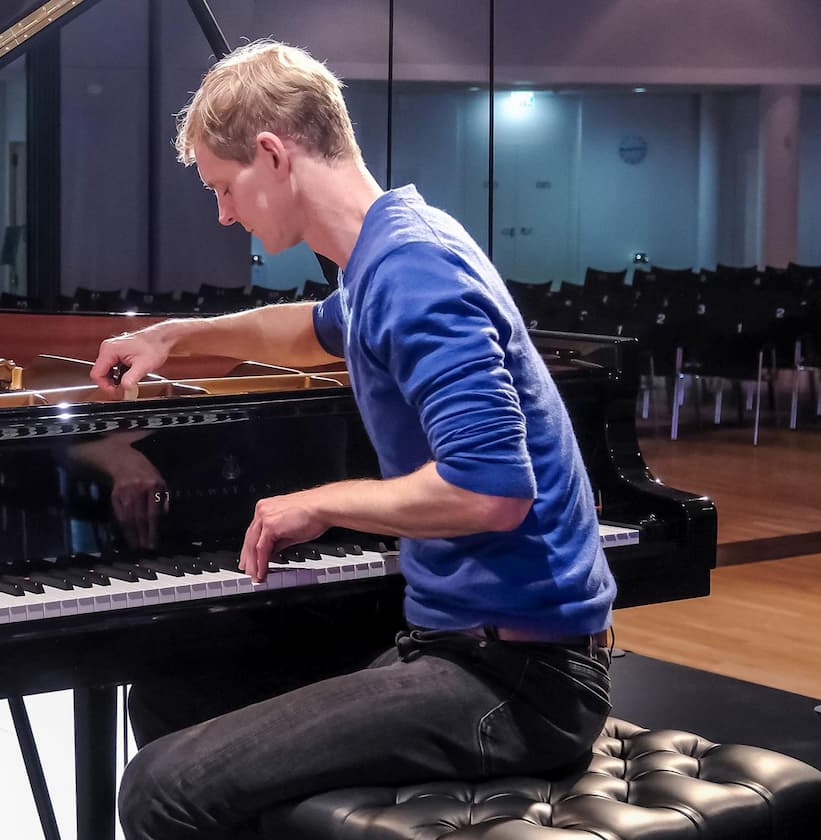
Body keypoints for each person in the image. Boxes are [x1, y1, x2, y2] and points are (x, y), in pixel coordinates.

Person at [88, 40, 616, 840]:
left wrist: (322, 502)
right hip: (463, 646)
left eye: (224, 188)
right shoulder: (385, 253)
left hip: (517, 680)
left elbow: (491, 491)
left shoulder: (415, 272)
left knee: (160, 789)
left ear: (273, 154)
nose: (225, 213)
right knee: (173, 692)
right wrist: (176, 336)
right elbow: (307, 330)